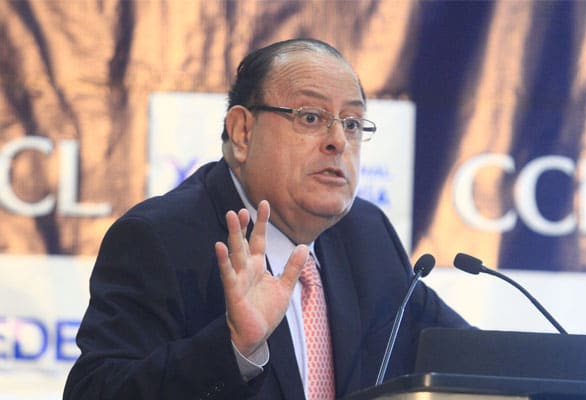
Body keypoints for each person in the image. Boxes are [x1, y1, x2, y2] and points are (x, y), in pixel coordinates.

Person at [63, 38, 469, 400]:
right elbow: (95, 391)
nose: (338, 141)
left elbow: (470, 355)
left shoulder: (367, 234)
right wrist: (234, 348)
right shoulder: (160, 239)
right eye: (310, 117)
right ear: (242, 132)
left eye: (351, 123)